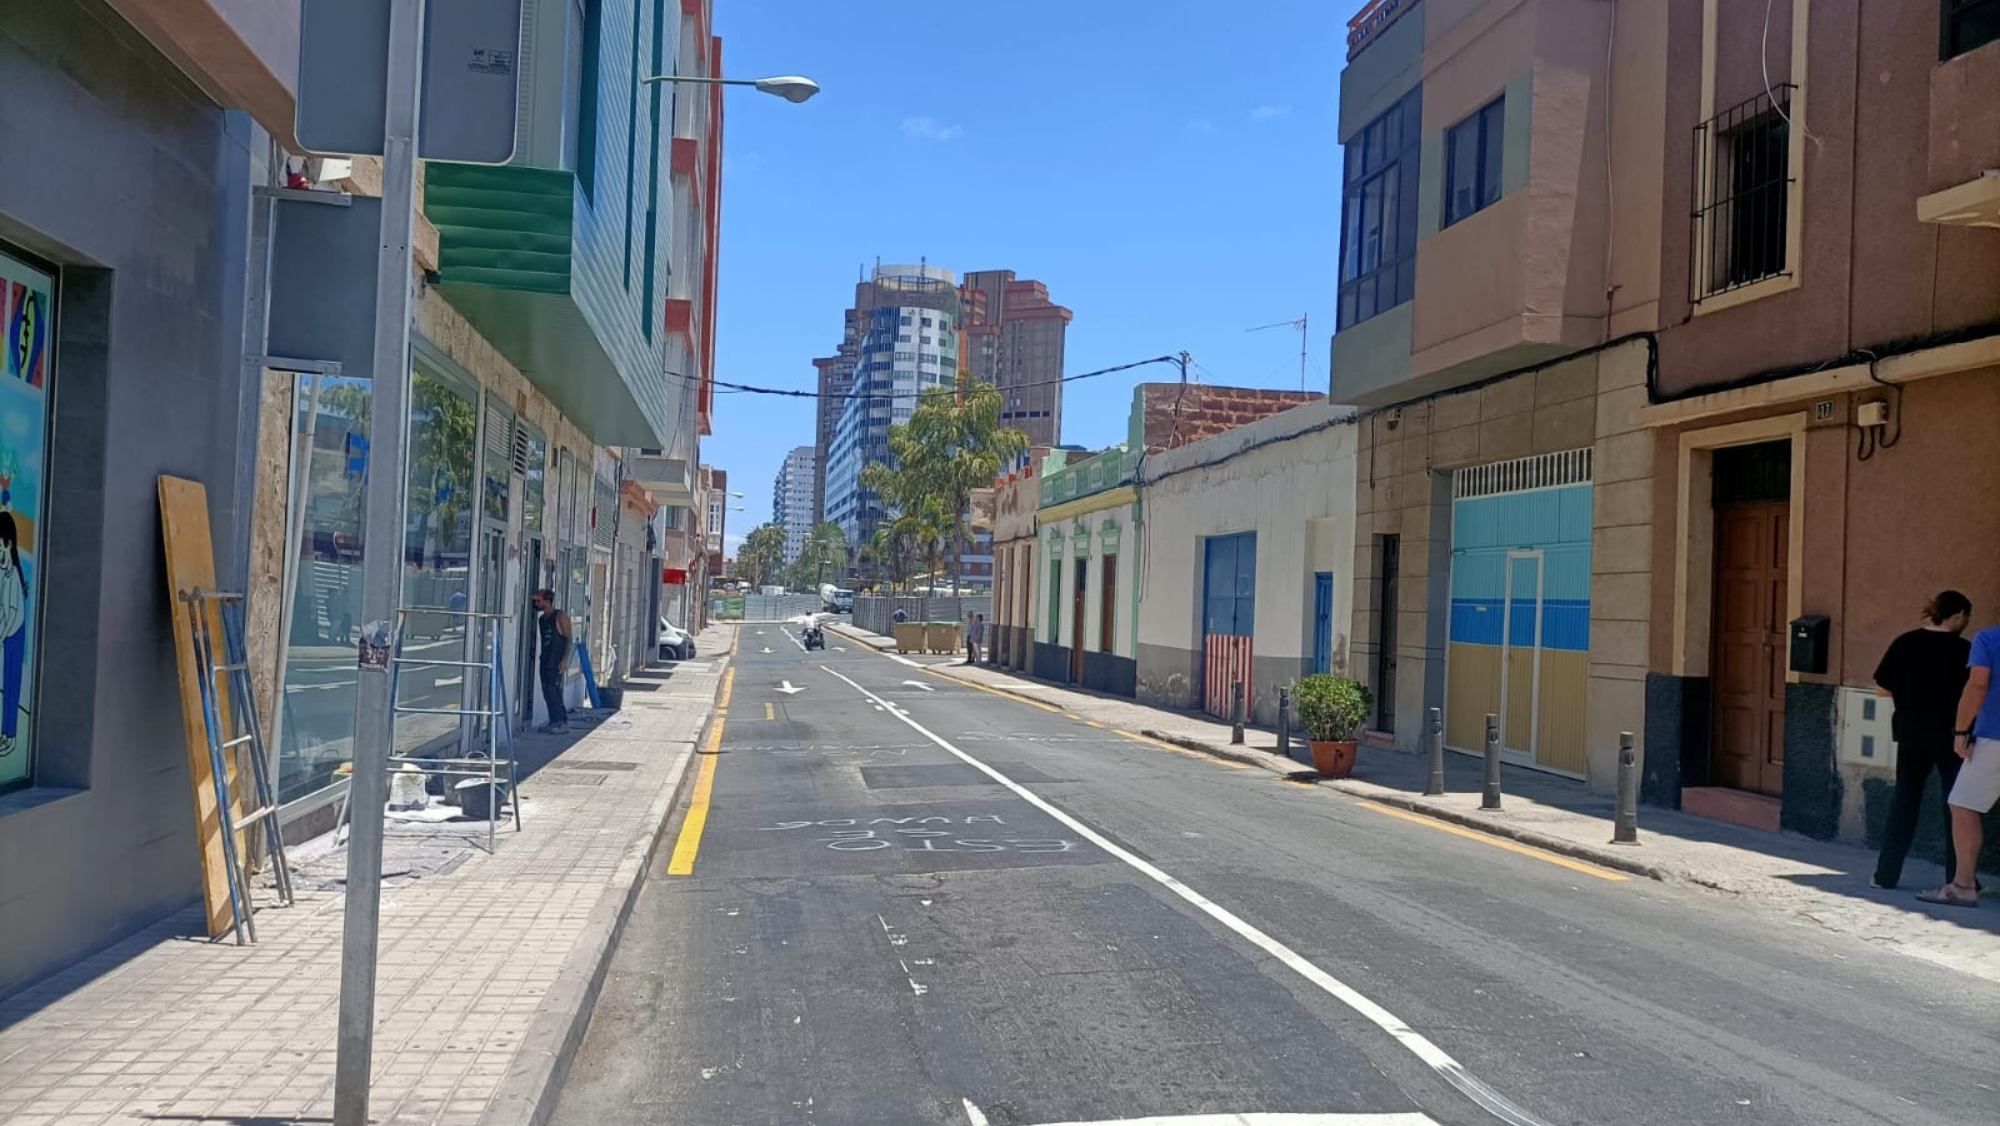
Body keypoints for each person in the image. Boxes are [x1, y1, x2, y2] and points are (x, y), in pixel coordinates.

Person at [1871, 591, 1972, 889]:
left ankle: (1885, 875)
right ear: (1958, 616)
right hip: (1952, 735)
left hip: (1911, 731)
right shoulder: (1965, 650)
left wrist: (1909, 695)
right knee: (1955, 805)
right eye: (1966, 617)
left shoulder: (1905, 642)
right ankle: (1959, 879)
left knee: (1904, 800)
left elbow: (1881, 689)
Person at [1920, 612, 2000, 907]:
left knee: (1962, 804)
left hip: (1995, 737)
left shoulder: (1989, 638)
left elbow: (1978, 685)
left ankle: (1963, 886)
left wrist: (1961, 730)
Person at [531, 588, 573, 734]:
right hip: (546, 659)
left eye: (538, 601)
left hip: (556, 660)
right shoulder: (542, 619)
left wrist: (565, 660)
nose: (536, 603)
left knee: (554, 690)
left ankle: (562, 721)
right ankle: (553, 720)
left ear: (547, 601)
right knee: (546, 691)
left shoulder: (560, 616)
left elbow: (568, 639)